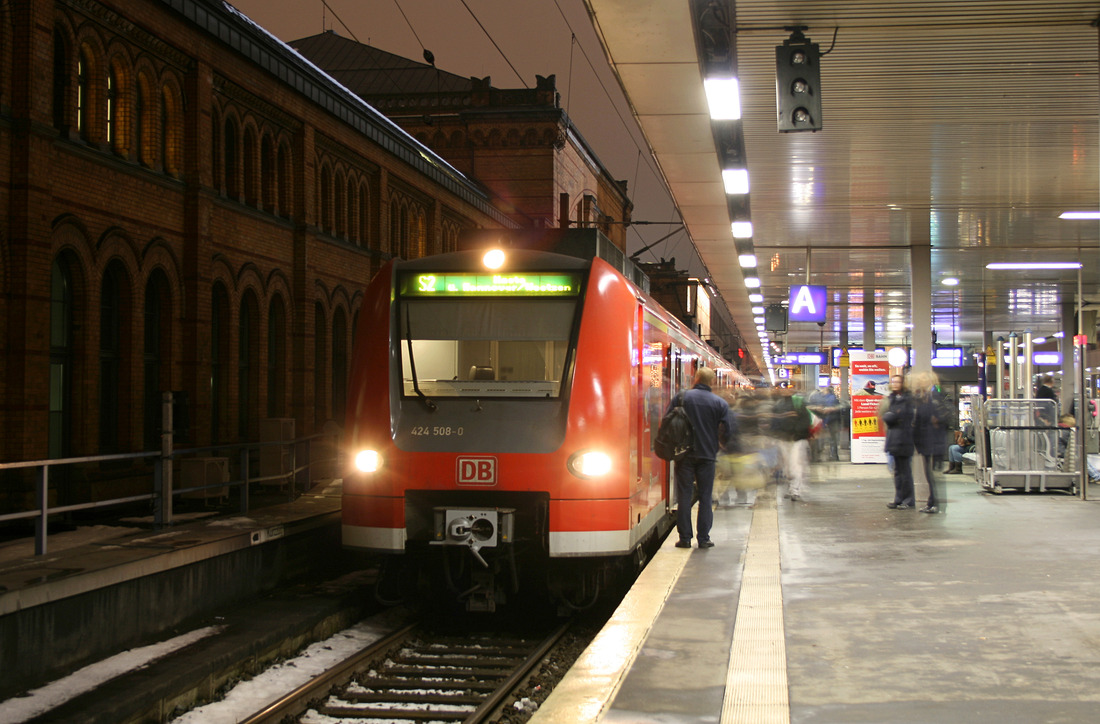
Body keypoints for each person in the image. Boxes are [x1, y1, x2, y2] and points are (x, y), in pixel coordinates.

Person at [669, 367, 736, 549]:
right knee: (705, 497)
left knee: (684, 496)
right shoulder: (719, 403)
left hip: (684, 454)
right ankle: (704, 538)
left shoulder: (681, 398)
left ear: (696, 379)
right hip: (707, 455)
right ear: (712, 382)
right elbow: (728, 429)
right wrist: (720, 443)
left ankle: (684, 539)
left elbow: (668, 421)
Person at [912, 371, 948, 513]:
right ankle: (931, 501)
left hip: (934, 439)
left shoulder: (937, 396)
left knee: (933, 473)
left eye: (923, 379)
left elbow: (944, 416)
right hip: (925, 440)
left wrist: (937, 420)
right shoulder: (924, 397)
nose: (921, 381)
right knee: (929, 473)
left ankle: (936, 503)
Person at [771, 386, 813, 501]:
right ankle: (792, 489)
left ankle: (796, 490)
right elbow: (774, 421)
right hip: (784, 439)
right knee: (787, 466)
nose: (784, 390)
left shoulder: (798, 402)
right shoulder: (778, 404)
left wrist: (797, 433)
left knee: (796, 464)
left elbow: (806, 420)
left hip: (796, 439)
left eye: (787, 388)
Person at [881, 374, 916, 509]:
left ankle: (908, 500)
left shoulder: (907, 399)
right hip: (893, 439)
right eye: (893, 381)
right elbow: (888, 416)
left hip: (904, 439)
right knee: (897, 471)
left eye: (897, 382)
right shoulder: (892, 398)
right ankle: (898, 498)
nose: (895, 384)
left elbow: (901, 416)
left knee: (905, 471)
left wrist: (892, 416)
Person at [807, 385, 842, 461]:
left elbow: (841, 406)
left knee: (833, 438)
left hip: (832, 419)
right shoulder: (815, 395)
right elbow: (807, 406)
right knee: (818, 438)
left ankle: (833, 455)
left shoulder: (834, 396)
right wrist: (816, 408)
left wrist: (833, 408)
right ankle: (817, 456)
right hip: (819, 419)